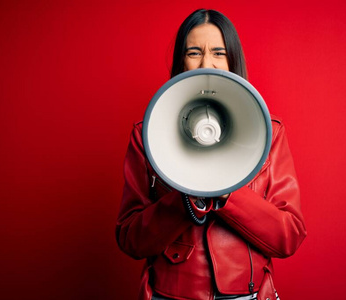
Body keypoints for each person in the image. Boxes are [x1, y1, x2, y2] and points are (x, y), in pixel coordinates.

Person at [116, 9, 307, 300]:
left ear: (232, 61)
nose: (207, 63)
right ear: (181, 61)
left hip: (245, 294)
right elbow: (131, 240)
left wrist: (226, 192)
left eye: (219, 52)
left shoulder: (270, 134)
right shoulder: (147, 135)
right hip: (173, 294)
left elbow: (288, 237)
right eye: (194, 52)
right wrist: (184, 200)